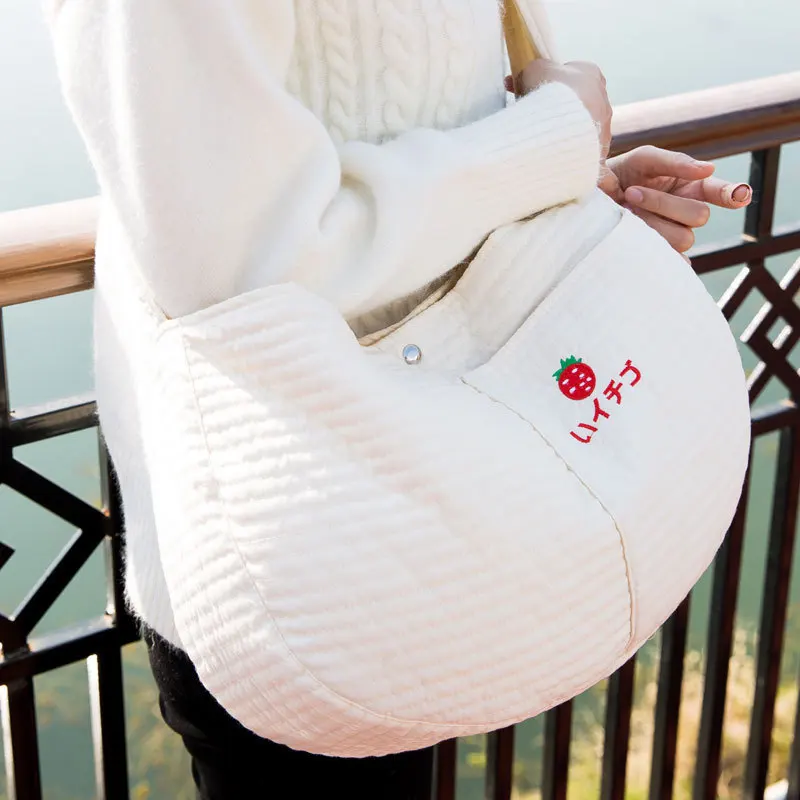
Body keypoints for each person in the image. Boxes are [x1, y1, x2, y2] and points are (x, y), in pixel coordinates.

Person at [47, 1, 751, 797]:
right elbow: (242, 263)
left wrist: (565, 195)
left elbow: (411, 114)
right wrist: (556, 138)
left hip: (450, 503)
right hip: (308, 535)